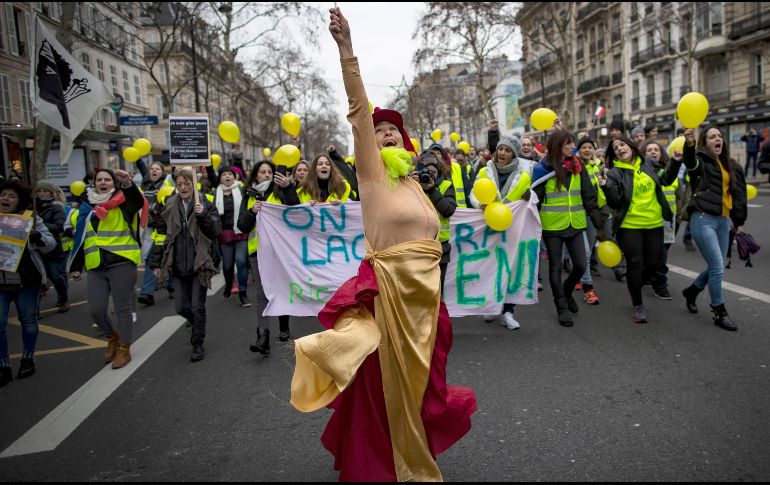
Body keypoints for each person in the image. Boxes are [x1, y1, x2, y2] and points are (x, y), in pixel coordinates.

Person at [289, 8, 476, 482]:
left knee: (420, 385)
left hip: (426, 300)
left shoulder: (415, 182)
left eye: (394, 129)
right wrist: (347, 50)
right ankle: (391, 464)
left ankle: (410, 452)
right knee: (386, 385)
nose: (387, 132)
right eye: (380, 130)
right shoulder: (372, 176)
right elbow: (358, 108)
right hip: (391, 294)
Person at [600, 135, 683, 324]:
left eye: (622, 145)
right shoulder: (614, 173)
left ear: (631, 146)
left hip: (654, 223)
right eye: (616, 148)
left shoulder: (649, 164)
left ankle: (638, 281)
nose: (620, 149)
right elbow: (615, 203)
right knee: (635, 263)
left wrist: (676, 162)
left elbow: (666, 180)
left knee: (654, 264)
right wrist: (606, 187)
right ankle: (638, 305)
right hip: (629, 226)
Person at [69, 169, 145, 369]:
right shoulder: (87, 205)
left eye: (108, 179)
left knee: (122, 308)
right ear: (94, 183)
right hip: (95, 265)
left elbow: (137, 202)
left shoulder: (124, 201)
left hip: (122, 262)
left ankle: (124, 348)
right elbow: (82, 237)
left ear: (114, 183)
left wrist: (127, 183)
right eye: (99, 180)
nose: (103, 182)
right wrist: (76, 266)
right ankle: (112, 337)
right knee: (96, 310)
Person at [533, 132, 603, 326]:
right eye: (569, 143)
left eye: (573, 143)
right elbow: (535, 200)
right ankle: (561, 306)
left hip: (575, 224)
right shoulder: (542, 169)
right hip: (552, 227)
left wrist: (599, 225)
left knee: (580, 265)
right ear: (558, 146)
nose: (573, 147)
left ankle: (566, 291)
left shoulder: (578, 166)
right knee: (555, 268)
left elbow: (589, 196)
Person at [681, 127, 747, 331]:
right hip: (703, 218)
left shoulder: (729, 164)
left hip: (723, 221)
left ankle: (692, 290)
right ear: (705, 142)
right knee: (717, 266)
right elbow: (690, 162)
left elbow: (736, 195)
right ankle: (719, 311)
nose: (717, 139)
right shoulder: (701, 161)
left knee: (716, 265)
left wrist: (738, 221)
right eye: (712, 137)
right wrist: (689, 143)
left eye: (719, 136)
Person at [152, 169, 220, 362]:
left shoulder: (205, 202)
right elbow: (161, 234)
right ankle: (195, 323)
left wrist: (203, 215)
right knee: (181, 307)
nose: (183, 187)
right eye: (179, 184)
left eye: (187, 184)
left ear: (194, 185)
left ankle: (197, 343)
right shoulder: (169, 204)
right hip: (177, 264)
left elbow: (215, 230)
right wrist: (156, 262)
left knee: (198, 307)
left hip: (199, 264)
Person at [470, 134, 532, 329]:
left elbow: (530, 199)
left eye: (507, 150)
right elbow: (474, 193)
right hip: (488, 226)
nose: (503, 153)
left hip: (513, 228)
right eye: (500, 149)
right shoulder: (484, 171)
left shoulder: (524, 175)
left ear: (514, 154)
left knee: (511, 268)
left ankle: (508, 311)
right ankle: (491, 306)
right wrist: (479, 204)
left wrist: (529, 196)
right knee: (490, 267)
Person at [238, 161, 298, 354]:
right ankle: (262, 336)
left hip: (280, 250)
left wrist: (287, 187)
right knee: (261, 294)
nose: (266, 175)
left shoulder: (280, 191)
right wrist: (252, 212)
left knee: (281, 288)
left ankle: (284, 325)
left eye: (269, 172)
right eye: (262, 172)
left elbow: (296, 210)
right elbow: (242, 226)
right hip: (257, 252)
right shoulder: (248, 195)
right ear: (255, 175)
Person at [0, 182, 56, 387]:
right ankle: (3, 365)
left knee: (28, 321)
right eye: (3, 194)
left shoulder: (30, 218)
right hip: (0, 282)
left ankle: (27, 358)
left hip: (26, 281)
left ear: (20, 200)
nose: (5, 199)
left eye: (11, 196)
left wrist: (37, 237)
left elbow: (51, 244)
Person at [411, 151, 457, 293]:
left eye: (434, 172)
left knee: (437, 291)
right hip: (417, 246)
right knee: (417, 291)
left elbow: (448, 210)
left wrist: (432, 190)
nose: (430, 176)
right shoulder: (411, 185)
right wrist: (411, 184)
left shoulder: (446, 186)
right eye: (426, 172)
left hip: (440, 247)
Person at [641, 140, 678, 299]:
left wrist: (678, 215)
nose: (653, 152)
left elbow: (679, 194)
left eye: (656, 149)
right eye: (649, 150)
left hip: (670, 220)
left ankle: (647, 276)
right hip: (652, 219)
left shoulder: (668, 171)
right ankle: (660, 285)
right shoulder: (642, 172)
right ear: (643, 154)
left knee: (661, 252)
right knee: (660, 254)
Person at [214, 166, 250, 307]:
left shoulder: (242, 190)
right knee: (228, 266)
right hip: (225, 234)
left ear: (235, 177)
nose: (227, 176)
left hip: (240, 231)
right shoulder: (215, 193)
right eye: (224, 174)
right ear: (220, 178)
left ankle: (243, 293)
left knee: (241, 261)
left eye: (230, 174)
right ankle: (229, 284)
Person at [575, 137, 605, 304]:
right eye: (584, 147)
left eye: (590, 147)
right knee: (585, 252)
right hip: (578, 214)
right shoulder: (574, 165)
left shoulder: (597, 166)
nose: (587, 150)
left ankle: (578, 276)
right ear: (578, 150)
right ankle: (588, 288)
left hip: (593, 214)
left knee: (589, 250)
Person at [138, 161, 171, 306]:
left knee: (158, 257)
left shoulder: (167, 186)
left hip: (163, 228)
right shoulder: (142, 187)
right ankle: (169, 285)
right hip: (147, 230)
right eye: (152, 169)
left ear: (162, 172)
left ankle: (148, 292)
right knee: (153, 258)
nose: (154, 171)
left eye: (157, 169)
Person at [35, 180, 70, 312]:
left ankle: (63, 299)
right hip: (35, 248)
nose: (41, 194)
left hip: (51, 248)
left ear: (50, 193)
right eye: (39, 191)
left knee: (56, 276)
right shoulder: (33, 207)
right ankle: (34, 310)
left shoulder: (56, 207)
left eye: (44, 191)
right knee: (37, 279)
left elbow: (59, 226)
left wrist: (39, 223)